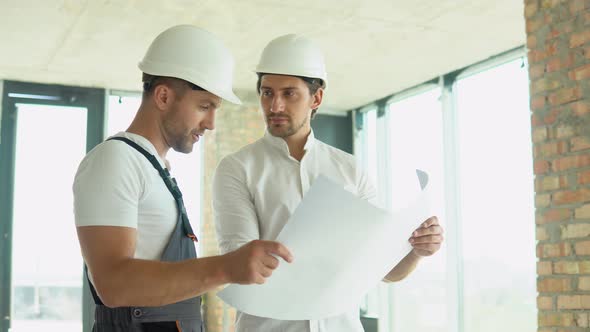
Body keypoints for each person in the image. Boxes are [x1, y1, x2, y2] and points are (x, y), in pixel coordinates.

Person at [212, 34, 444, 332]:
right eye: (267, 93)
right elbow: (240, 265)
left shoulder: (350, 170)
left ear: (316, 98)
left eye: (289, 94)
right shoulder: (237, 169)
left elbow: (383, 271)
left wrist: (417, 251)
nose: (275, 105)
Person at [73, 25, 293, 332]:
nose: (212, 123)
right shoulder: (114, 161)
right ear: (163, 96)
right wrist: (226, 266)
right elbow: (112, 283)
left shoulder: (155, 169)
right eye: (204, 106)